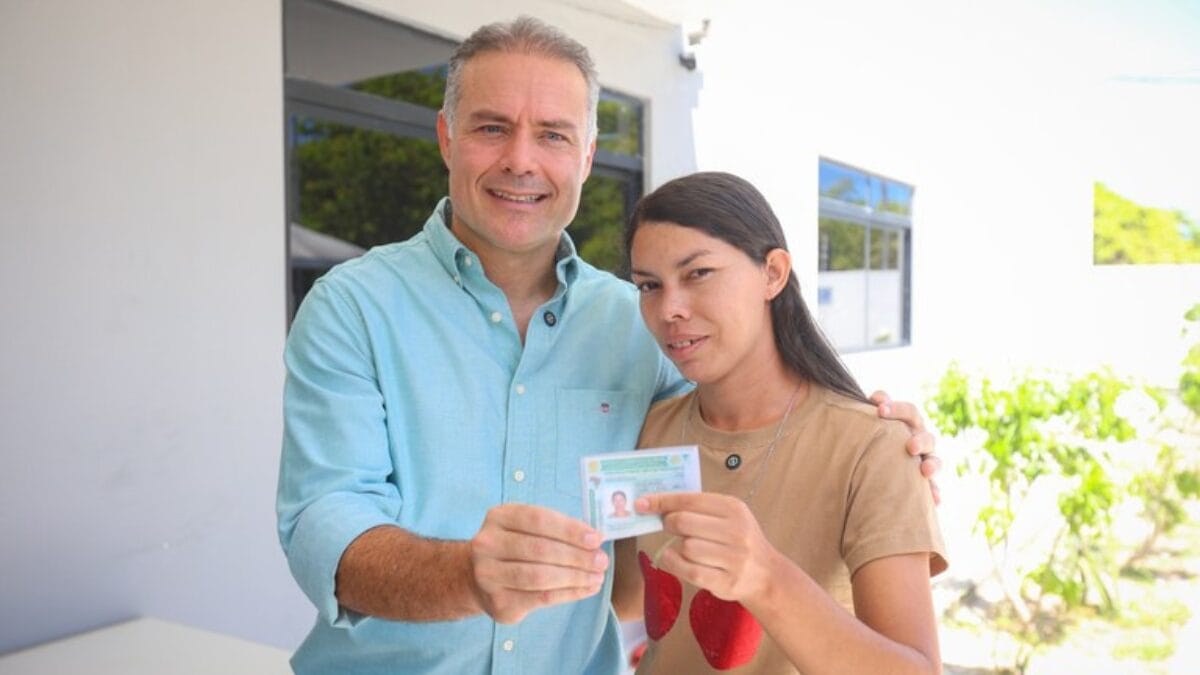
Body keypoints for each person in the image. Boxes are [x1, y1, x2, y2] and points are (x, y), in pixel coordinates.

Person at [276, 16, 940, 675]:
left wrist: (877, 428)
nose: (521, 159)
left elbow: (741, 422)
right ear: (447, 137)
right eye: (491, 127)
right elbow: (322, 521)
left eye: (553, 135)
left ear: (587, 156)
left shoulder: (643, 324)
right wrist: (465, 576)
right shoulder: (352, 306)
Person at [611, 171, 948, 674]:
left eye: (698, 273)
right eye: (649, 286)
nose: (670, 309)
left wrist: (764, 577)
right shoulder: (649, 428)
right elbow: (626, 601)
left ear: (773, 273)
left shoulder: (873, 448)